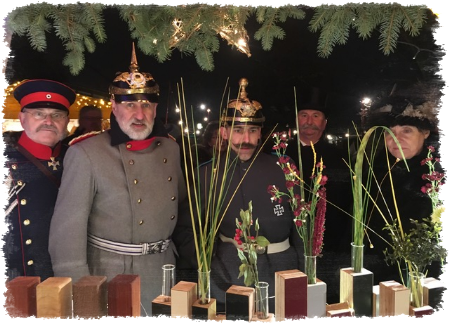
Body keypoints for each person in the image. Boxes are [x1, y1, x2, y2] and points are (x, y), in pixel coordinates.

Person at [49, 46, 187, 316]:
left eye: (146, 104)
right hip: (110, 276)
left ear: (156, 108)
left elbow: (181, 211)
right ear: (113, 106)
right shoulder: (86, 153)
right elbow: (67, 235)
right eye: (129, 104)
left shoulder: (171, 148)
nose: (139, 114)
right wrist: (81, 293)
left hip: (164, 272)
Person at [173, 78, 304, 313]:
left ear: (260, 133)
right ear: (224, 132)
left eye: (252, 131)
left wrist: (307, 273)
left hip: (283, 278)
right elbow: (185, 230)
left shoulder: (284, 168)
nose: (245, 139)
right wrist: (207, 265)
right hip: (226, 280)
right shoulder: (205, 175)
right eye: (238, 130)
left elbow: (302, 227)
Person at [364, 85, 449, 284]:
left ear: (425, 132)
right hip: (377, 281)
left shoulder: (441, 175)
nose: (396, 139)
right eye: (389, 132)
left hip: (426, 283)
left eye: (407, 130)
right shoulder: (376, 173)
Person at [0, 79, 76, 280]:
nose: (48, 121)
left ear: (67, 121)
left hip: (66, 276)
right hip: (13, 282)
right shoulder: (1, 160)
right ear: (22, 119)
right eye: (39, 114)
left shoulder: (79, 158)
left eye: (57, 115)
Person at [285, 98, 352, 303]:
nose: (309, 121)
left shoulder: (340, 158)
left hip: (329, 238)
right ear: (296, 120)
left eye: (316, 116)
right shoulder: (280, 155)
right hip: (288, 238)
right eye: (304, 115)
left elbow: (345, 200)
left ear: (324, 123)